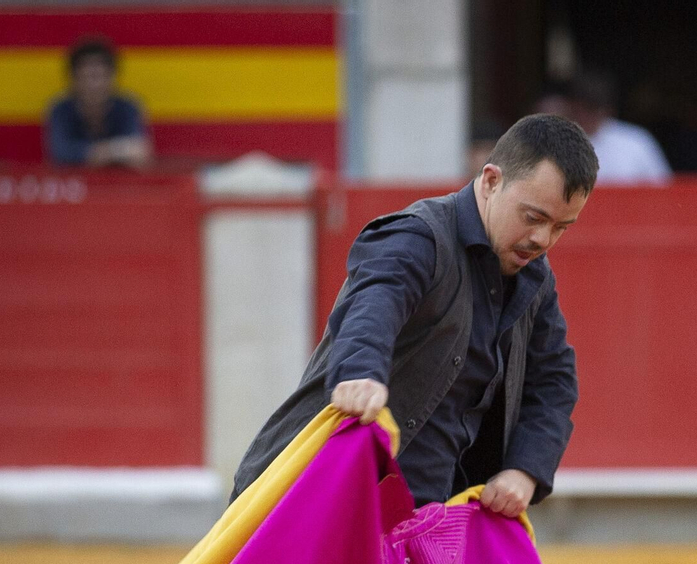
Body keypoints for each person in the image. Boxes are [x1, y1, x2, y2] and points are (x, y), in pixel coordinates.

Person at [230, 113, 598, 519]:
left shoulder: (534, 278)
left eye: (561, 227)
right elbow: (375, 305)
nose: (542, 240)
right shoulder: (417, 237)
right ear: (492, 181)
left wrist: (523, 470)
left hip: (425, 522)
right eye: (533, 218)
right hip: (313, 504)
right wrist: (359, 372)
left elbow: (553, 380)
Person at [43, 36, 152, 168]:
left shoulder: (127, 107)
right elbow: (60, 153)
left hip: (119, 185)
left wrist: (90, 154)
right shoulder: (60, 110)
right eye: (87, 77)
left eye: (99, 77)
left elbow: (139, 151)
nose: (94, 86)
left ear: (112, 77)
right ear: (73, 79)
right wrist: (113, 150)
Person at [565, 70, 672, 185]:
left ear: (607, 110)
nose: (586, 116)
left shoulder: (636, 141)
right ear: (571, 106)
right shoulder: (557, 140)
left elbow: (663, 188)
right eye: (582, 109)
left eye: (594, 110)